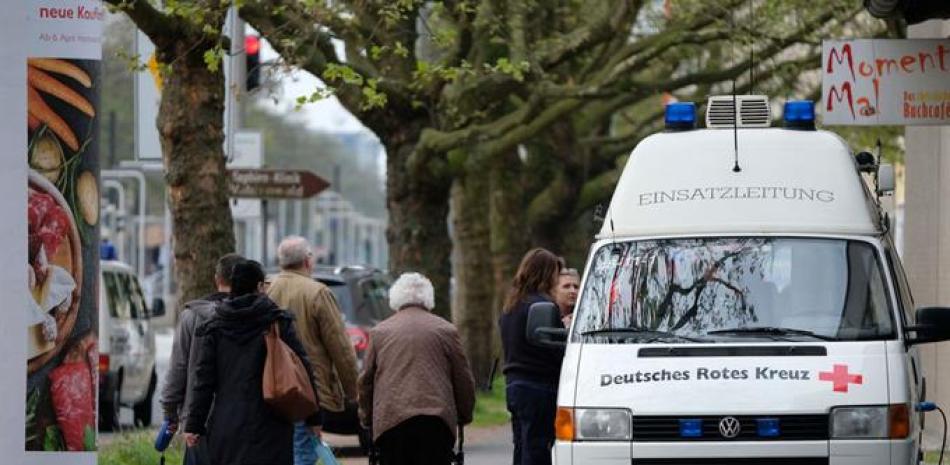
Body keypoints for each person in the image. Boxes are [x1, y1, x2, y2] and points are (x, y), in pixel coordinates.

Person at [184, 260, 321, 465]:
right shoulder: (277, 322)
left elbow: (203, 380)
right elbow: (303, 367)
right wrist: (314, 418)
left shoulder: (216, 326)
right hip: (272, 424)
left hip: (226, 425)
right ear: (259, 286)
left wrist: (194, 424)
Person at [358, 272, 476, 465]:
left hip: (391, 422)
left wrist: (366, 417)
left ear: (395, 299)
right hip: (436, 421)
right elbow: (463, 379)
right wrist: (464, 414)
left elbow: (366, 381)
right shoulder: (446, 330)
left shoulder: (380, 333)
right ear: (428, 298)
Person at [267, 236, 360, 465]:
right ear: (308, 262)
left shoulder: (266, 290)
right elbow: (340, 347)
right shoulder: (318, 293)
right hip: (308, 391)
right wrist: (352, 391)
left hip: (269, 388)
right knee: (303, 452)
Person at [161, 252, 244, 465]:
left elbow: (178, 369)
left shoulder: (192, 317)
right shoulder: (255, 316)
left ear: (217, 280)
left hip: (199, 422)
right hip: (243, 423)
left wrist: (171, 414)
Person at [499, 248, 565, 465]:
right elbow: (555, 351)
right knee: (537, 449)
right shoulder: (544, 306)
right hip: (539, 386)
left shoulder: (510, 307)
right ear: (546, 273)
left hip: (514, 385)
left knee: (521, 446)